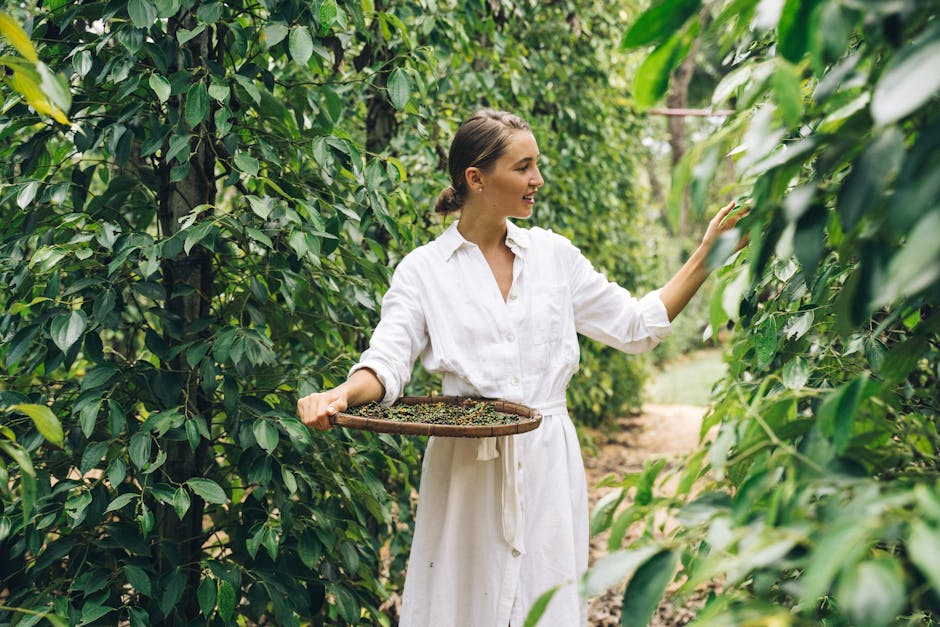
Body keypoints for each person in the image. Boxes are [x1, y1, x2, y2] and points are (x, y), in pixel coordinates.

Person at [297, 109, 746, 626]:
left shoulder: (555, 257)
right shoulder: (423, 271)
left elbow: (636, 327)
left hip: (547, 460)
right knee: (462, 607)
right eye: (523, 167)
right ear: (476, 178)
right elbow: (385, 364)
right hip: (466, 471)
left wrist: (708, 253)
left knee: (546, 603)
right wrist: (342, 395)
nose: (537, 180)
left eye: (537, 166)